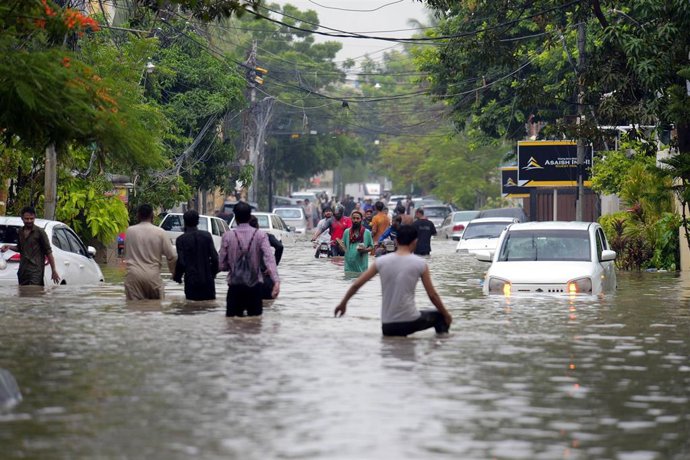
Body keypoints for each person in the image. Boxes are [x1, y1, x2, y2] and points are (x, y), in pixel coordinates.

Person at [334, 225, 452, 337]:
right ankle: (438, 349)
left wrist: (343, 303)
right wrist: (446, 315)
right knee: (440, 317)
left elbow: (356, 285)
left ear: (396, 241)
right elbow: (433, 295)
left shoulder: (381, 262)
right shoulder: (420, 263)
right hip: (409, 321)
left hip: (388, 325)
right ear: (415, 242)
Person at [219, 202, 280, 317]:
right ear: (249, 215)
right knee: (255, 326)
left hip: (234, 288)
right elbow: (269, 259)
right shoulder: (260, 235)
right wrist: (276, 281)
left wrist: (233, 265)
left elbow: (221, 265)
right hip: (255, 288)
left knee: (232, 326)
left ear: (235, 217)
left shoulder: (227, 236)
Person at [124, 204, 177, 300]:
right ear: (152, 216)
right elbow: (172, 256)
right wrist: (174, 274)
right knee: (156, 309)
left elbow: (125, 253)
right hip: (153, 277)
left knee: (133, 310)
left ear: (138, 216)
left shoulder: (129, 231)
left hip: (133, 277)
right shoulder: (160, 232)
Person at [0, 206, 60, 285]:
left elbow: (48, 252)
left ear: (34, 218)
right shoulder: (20, 231)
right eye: (27, 219)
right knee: (23, 294)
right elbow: (20, 248)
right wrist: (9, 247)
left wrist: (54, 270)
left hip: (35, 272)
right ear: (22, 218)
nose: (29, 221)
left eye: (31, 219)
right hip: (22, 271)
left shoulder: (40, 232)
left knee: (33, 293)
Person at [173, 210, 219, 301]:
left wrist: (177, 277)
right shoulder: (207, 236)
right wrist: (212, 274)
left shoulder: (181, 240)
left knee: (191, 309)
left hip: (191, 282)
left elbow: (181, 263)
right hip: (208, 282)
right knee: (209, 309)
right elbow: (215, 259)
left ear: (184, 222)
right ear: (198, 222)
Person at [249, 215, 283, 299]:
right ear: (257, 225)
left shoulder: (239, 238)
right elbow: (279, 246)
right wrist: (273, 265)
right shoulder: (266, 236)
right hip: (265, 277)